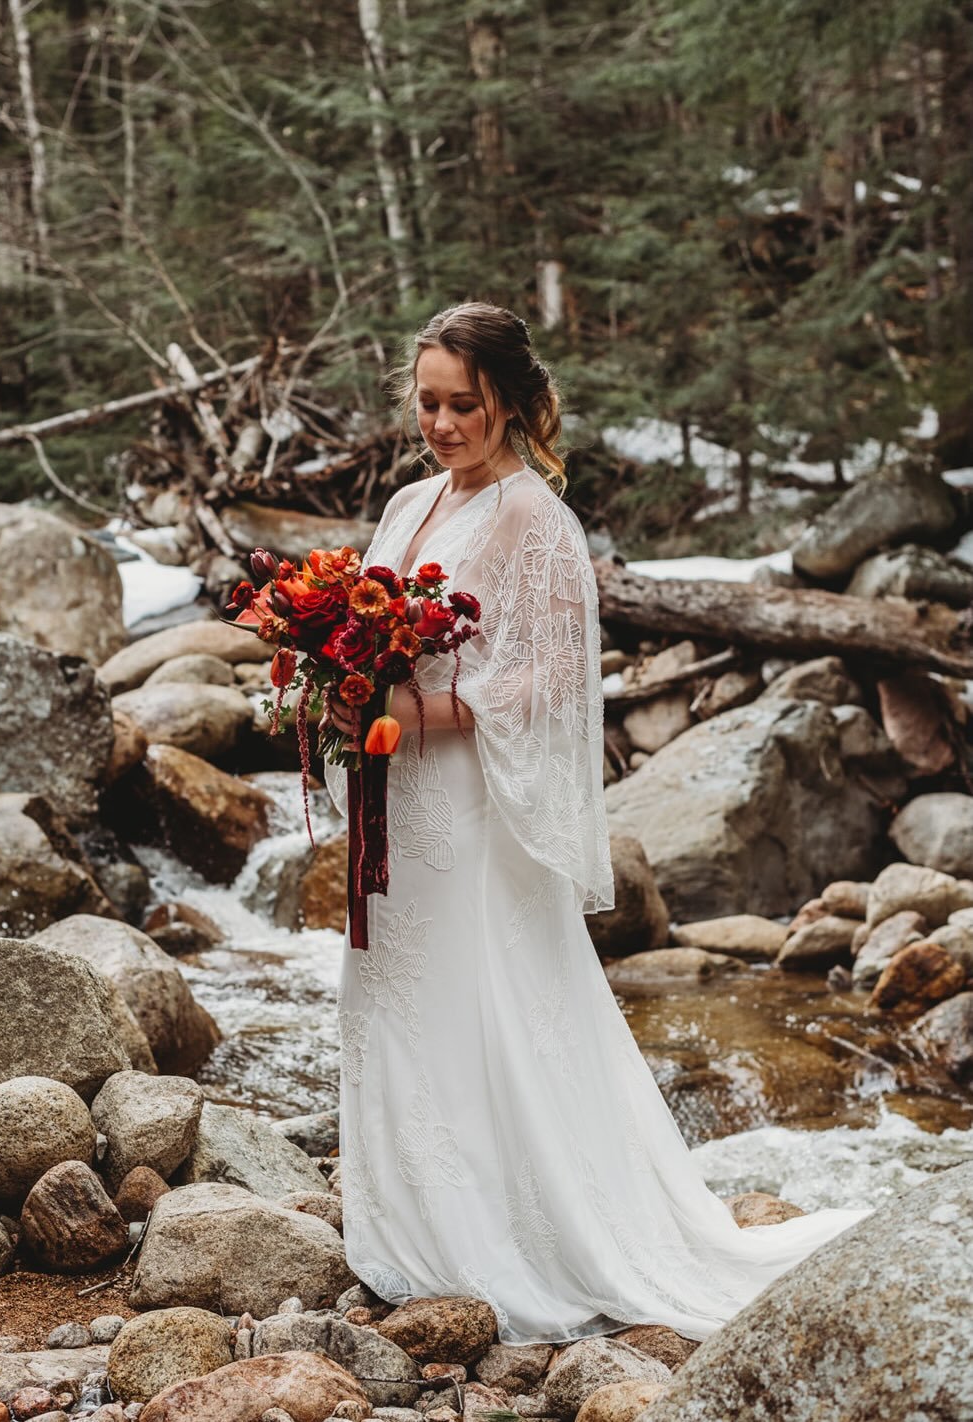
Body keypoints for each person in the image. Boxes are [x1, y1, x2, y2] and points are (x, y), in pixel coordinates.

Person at [322, 301, 873, 1345]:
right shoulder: (406, 505)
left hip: (468, 804)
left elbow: (549, 683)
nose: (440, 425)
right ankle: (409, 1227)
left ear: (511, 402)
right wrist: (342, 689)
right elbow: (368, 634)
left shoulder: (537, 521)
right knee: (394, 991)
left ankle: (506, 1238)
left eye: (463, 406)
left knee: (480, 998)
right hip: (392, 793)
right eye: (427, 404)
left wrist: (419, 709)